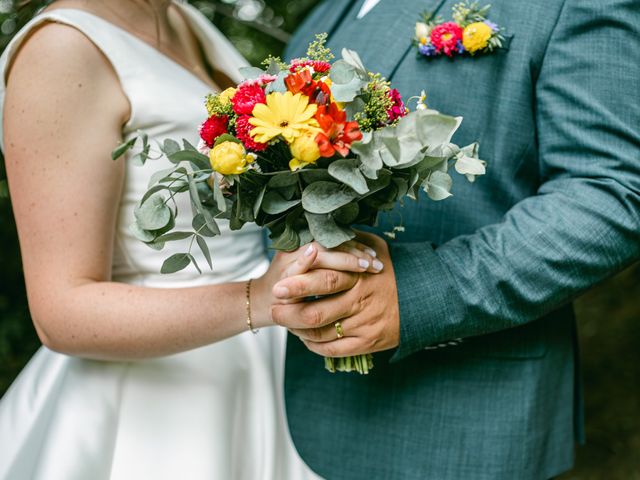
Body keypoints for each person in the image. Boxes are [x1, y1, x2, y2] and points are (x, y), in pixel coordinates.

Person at [0, 1, 382, 478]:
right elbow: (61, 313)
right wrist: (261, 298)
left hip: (262, 368)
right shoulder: (61, 49)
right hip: (151, 408)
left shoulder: (179, 16)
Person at [273, 0, 640, 479]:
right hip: (293, 402)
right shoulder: (329, 11)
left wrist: (421, 291)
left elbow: (610, 191)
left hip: (459, 410)